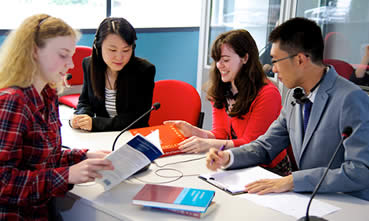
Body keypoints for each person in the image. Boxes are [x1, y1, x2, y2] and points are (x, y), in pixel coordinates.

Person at [206, 17, 369, 201]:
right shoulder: (295, 95)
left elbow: (361, 171)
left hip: (348, 203)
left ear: (300, 59)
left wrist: (292, 181)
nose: (273, 69)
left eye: (276, 60)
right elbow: (266, 145)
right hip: (309, 200)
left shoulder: (351, 99)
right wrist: (228, 157)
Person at [0, 14, 114, 220]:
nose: (71, 64)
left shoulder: (47, 94)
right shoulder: (12, 102)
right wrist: (68, 174)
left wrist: (84, 157)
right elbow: (4, 183)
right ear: (35, 52)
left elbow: (43, 159)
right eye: (63, 55)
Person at [166, 29, 291, 176]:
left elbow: (252, 146)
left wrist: (209, 144)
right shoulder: (222, 88)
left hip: (268, 169)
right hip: (235, 162)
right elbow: (221, 134)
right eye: (217, 60)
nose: (219, 65)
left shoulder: (268, 93)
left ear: (245, 58)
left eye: (225, 60)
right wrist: (195, 131)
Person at [70, 17, 155, 132]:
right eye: (112, 50)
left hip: (130, 135)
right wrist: (81, 116)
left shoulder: (144, 70)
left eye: (126, 50)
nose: (119, 57)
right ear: (98, 47)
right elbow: (85, 101)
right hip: (102, 137)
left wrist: (95, 123)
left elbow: (138, 119)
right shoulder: (89, 64)